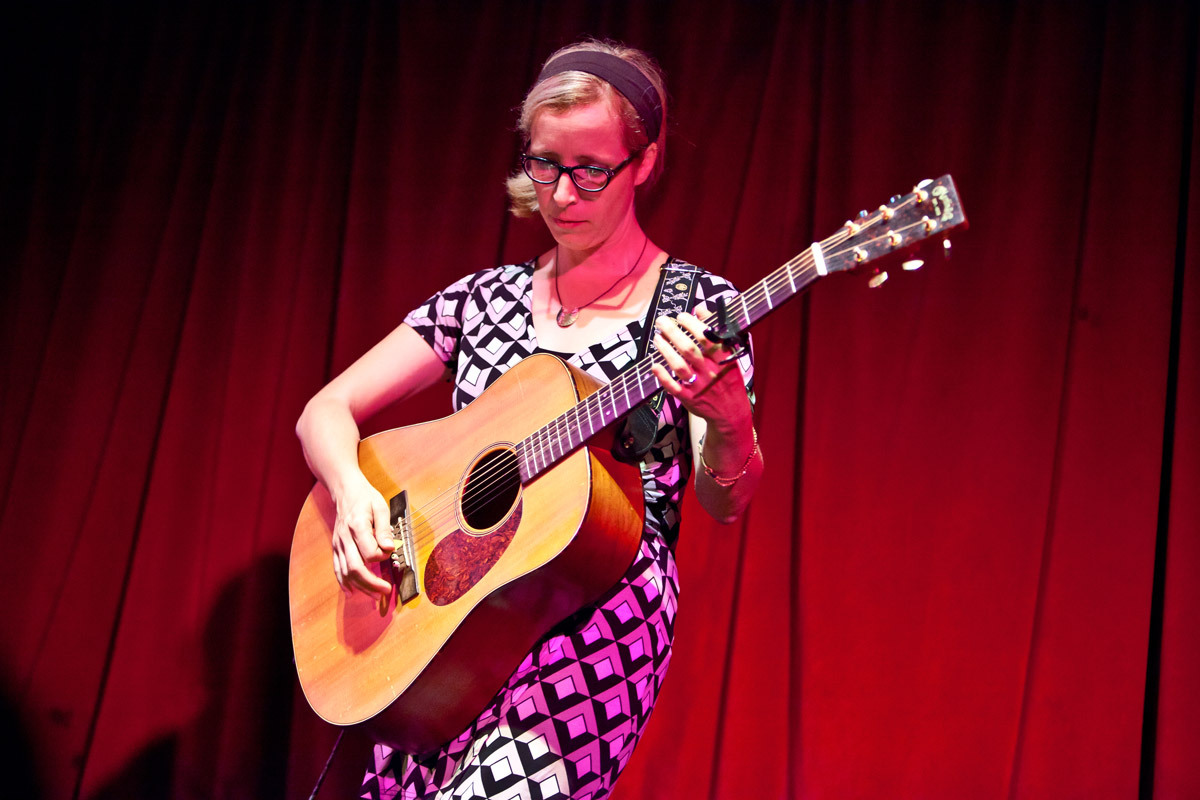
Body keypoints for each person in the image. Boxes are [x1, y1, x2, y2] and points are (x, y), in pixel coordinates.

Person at [296, 39, 763, 800]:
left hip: (591, 630)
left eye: (592, 170)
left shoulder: (697, 311)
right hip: (442, 625)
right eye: (545, 164)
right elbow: (326, 410)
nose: (563, 195)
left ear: (644, 163)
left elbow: (726, 501)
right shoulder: (483, 300)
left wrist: (730, 420)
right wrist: (353, 496)